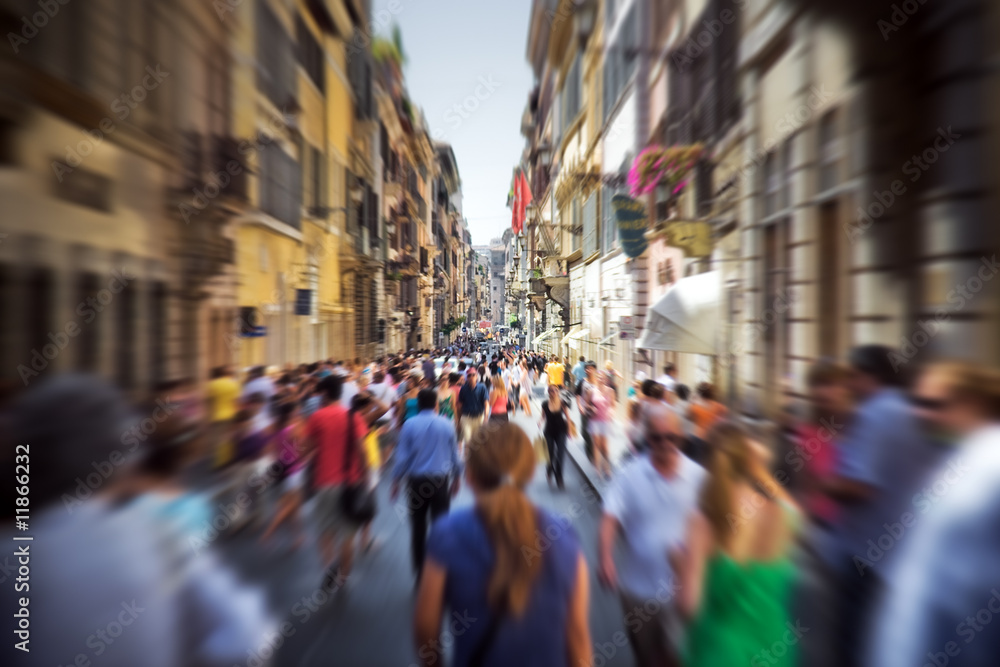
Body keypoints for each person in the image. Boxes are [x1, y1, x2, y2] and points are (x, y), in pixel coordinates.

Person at [414, 422, 592, 667]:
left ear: (470, 475)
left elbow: (426, 628)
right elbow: (578, 637)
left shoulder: (447, 533)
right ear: (530, 472)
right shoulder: (563, 534)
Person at [819, 345, 950, 667]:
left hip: (866, 555)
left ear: (871, 376)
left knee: (854, 646)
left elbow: (861, 486)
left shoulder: (873, 413)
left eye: (853, 376)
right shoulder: (913, 411)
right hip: (907, 554)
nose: (848, 384)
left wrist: (825, 484)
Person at [866, 362, 1000, 667]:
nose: (919, 414)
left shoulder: (987, 470)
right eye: (916, 403)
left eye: (934, 405)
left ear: (975, 403)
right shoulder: (962, 461)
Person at [675, 422, 800, 667]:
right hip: (773, 648)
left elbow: (688, 606)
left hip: (720, 652)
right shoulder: (781, 516)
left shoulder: (703, 523)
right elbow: (793, 509)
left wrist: (678, 563)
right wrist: (759, 470)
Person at [598, 403, 706, 667]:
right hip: (638, 593)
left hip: (685, 594)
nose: (664, 443)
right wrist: (605, 558)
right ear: (647, 437)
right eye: (656, 437)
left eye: (671, 436)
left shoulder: (700, 477)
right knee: (646, 659)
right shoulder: (629, 474)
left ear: (681, 437)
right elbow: (610, 518)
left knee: (680, 659)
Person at [305, 375, 371, 588]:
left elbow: (306, 450)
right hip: (350, 483)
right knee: (347, 532)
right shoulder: (353, 417)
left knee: (325, 530)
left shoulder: (317, 417)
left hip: (324, 482)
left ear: (324, 393)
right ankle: (343, 577)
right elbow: (362, 450)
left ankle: (330, 566)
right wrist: (366, 478)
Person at [392, 389, 462, 577]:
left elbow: (402, 457)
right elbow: (455, 454)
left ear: (418, 404)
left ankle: (420, 571)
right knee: (441, 526)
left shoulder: (408, 425)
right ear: (436, 404)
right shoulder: (447, 424)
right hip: (440, 482)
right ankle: (440, 570)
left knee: (418, 527)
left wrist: (395, 481)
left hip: (416, 483)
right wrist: (457, 477)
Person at [540, 385, 574, 490]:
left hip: (561, 431)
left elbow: (568, 418)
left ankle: (559, 477)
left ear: (558, 392)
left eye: (555, 390)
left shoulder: (563, 403)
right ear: (549, 392)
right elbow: (543, 416)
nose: (553, 392)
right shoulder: (545, 404)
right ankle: (549, 470)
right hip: (549, 431)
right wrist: (540, 421)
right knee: (550, 454)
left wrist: (569, 430)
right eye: (551, 390)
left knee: (560, 455)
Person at [457, 369, 489, 446]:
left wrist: (486, 417)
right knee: (468, 441)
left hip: (479, 418)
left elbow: (486, 403)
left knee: (479, 442)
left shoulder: (482, 387)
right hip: (466, 418)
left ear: (476, 376)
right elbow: (460, 405)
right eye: (469, 375)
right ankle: (468, 456)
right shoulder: (463, 389)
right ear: (467, 378)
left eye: (473, 375)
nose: (471, 377)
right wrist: (459, 419)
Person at [589, 380, 613, 479]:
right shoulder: (592, 391)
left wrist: (611, 412)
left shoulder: (610, 391)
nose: (600, 380)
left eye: (602, 378)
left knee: (605, 446)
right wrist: (590, 408)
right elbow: (586, 404)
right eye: (598, 378)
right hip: (594, 421)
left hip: (605, 421)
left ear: (605, 379)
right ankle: (597, 468)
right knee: (596, 445)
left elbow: (612, 405)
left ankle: (606, 467)